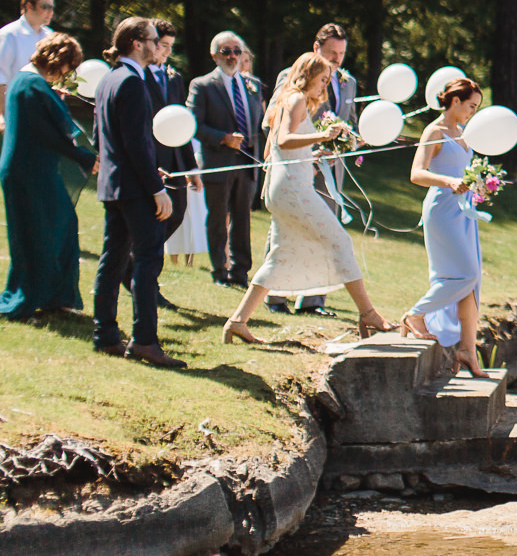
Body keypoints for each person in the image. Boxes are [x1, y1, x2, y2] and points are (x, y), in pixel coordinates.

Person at [221, 53, 389, 344]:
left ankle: (237, 321)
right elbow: (285, 140)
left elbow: (279, 151)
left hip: (285, 188)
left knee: (281, 254)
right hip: (294, 191)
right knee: (340, 240)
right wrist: (322, 137)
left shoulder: (287, 100)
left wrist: (316, 154)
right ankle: (368, 314)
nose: (325, 85)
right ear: (308, 75)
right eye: (323, 79)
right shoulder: (296, 99)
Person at [91, 16, 182, 366]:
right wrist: (156, 186)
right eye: (151, 38)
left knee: (112, 259)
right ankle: (144, 340)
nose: (156, 43)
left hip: (115, 184)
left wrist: (139, 171)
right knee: (147, 259)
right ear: (135, 43)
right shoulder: (131, 81)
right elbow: (136, 143)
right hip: (133, 188)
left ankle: (105, 334)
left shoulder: (108, 80)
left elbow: (106, 137)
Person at [1, 33, 95, 318]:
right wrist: (87, 158)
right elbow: (50, 132)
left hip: (33, 169)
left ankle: (56, 297)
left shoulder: (30, 82)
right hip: (28, 171)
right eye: (69, 65)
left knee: (59, 227)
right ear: (58, 61)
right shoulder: (32, 85)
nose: (67, 73)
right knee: (37, 234)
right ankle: (29, 298)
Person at [401, 76, 489, 376]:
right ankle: (416, 313)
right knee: (465, 273)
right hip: (442, 208)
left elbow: (464, 170)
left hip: (465, 211)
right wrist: (450, 181)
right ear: (454, 101)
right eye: (471, 106)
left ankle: (467, 349)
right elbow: (416, 173)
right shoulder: (434, 131)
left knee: (472, 282)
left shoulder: (464, 132)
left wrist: (480, 185)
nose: (473, 112)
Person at [287, 22, 356, 316]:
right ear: (316, 48)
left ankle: (312, 300)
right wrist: (309, 149)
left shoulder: (347, 82)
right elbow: (277, 120)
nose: (337, 59)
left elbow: (349, 117)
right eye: (331, 52)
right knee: (289, 228)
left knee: (326, 231)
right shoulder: (293, 76)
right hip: (300, 166)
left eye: (341, 53)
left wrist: (352, 138)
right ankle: (276, 296)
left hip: (332, 170)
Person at [189, 31, 262, 287]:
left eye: (236, 51)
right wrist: (222, 138)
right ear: (214, 55)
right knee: (218, 220)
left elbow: (258, 125)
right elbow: (194, 125)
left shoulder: (253, 85)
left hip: (246, 164)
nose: (232, 56)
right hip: (218, 161)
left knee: (242, 220)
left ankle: (240, 271)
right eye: (226, 51)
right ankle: (219, 270)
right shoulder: (203, 85)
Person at [145, 20, 199, 293]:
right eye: (162, 45)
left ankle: (138, 273)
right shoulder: (137, 76)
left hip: (176, 162)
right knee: (152, 224)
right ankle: (146, 283)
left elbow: (181, 124)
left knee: (176, 216)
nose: (166, 52)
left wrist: (191, 167)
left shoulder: (174, 78)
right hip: (150, 160)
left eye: (170, 47)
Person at [0, 0, 56, 135]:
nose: (50, 12)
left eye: (52, 7)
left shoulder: (49, 36)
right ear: (29, 7)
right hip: (14, 114)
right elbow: (1, 78)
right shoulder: (9, 34)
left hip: (42, 114)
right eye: (45, 7)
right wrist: (2, 117)